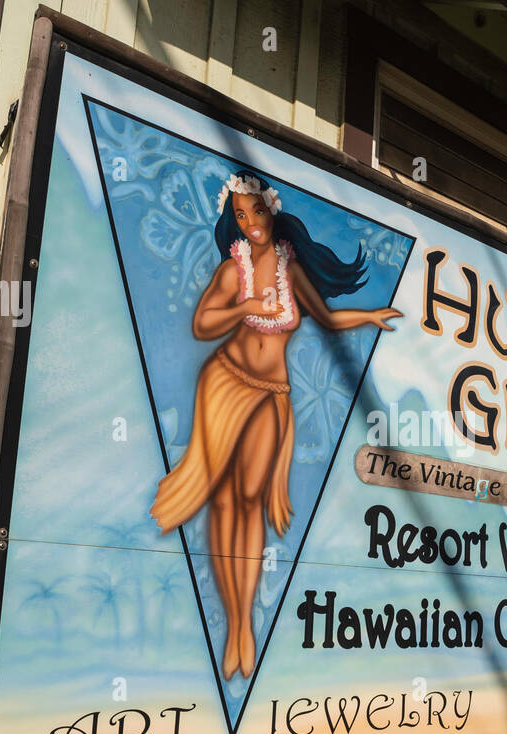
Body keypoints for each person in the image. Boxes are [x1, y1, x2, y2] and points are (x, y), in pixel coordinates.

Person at [150, 170, 401, 680]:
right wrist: (244, 305)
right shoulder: (231, 271)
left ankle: (242, 624)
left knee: (248, 500)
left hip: (272, 394)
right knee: (220, 498)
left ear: (272, 211)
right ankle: (238, 624)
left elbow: (327, 321)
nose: (250, 223)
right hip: (225, 382)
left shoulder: (291, 271)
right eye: (240, 216)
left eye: (256, 212)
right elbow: (202, 325)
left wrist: (370, 315)